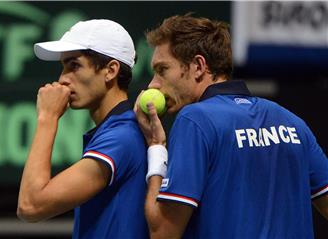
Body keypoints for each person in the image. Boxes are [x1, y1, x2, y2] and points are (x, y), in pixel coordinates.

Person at [134, 14, 328, 238]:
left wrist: (156, 146)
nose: (153, 84)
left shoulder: (195, 120)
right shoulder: (291, 121)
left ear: (198, 66)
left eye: (162, 69)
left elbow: (163, 233)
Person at [17, 19, 148, 238]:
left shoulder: (121, 137)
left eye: (74, 65)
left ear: (110, 70)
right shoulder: (118, 131)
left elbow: (31, 206)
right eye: (63, 67)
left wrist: (47, 117)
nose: (62, 79)